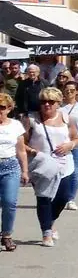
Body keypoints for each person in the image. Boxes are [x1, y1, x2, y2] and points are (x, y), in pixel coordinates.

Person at [27, 88, 77, 247]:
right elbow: (21, 143)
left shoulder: (67, 118)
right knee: (44, 198)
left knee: (63, 196)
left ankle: (50, 220)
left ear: (58, 103)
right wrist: (34, 152)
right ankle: (46, 233)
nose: (46, 104)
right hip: (42, 165)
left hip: (64, 164)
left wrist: (70, 144)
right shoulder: (31, 119)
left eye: (51, 102)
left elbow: (77, 138)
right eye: (43, 101)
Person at [58, 82, 78, 210]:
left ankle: (71, 199)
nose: (69, 93)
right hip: (61, 143)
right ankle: (59, 196)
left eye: (72, 90)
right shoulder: (59, 107)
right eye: (67, 90)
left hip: (77, 143)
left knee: (75, 171)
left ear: (77, 92)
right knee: (61, 171)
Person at [0, 94, 20, 251]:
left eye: (2, 108)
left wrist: (26, 170)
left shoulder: (15, 125)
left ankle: (6, 235)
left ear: (9, 109)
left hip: (10, 166)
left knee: (9, 202)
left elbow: (21, 150)